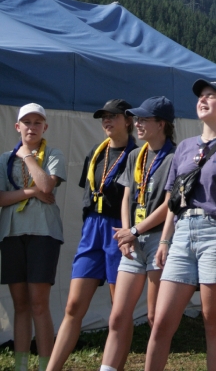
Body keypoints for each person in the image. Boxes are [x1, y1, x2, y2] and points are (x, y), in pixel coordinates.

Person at [144, 78, 216, 371]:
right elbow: (173, 201)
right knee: (161, 321)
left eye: (211, 96)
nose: (202, 100)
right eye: (200, 96)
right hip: (181, 233)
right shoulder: (183, 147)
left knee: (212, 320)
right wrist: (165, 241)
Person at [47, 99, 136, 371]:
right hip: (92, 230)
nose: (106, 121)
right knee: (73, 306)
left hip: (118, 229)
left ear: (128, 120)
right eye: (103, 117)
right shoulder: (96, 152)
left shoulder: (137, 155)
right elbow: (89, 192)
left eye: (113, 116)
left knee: (119, 310)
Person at [98, 96, 177, 371]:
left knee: (155, 317)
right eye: (137, 119)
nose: (138, 124)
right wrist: (125, 233)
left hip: (158, 240)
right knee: (118, 316)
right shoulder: (136, 155)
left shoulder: (175, 157)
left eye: (144, 119)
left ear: (161, 124)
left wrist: (133, 230)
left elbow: (170, 204)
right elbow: (126, 196)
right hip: (132, 241)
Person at [0, 103, 66, 371]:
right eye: (26, 122)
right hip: (12, 233)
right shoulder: (5, 159)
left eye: (37, 122)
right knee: (20, 304)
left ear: (45, 127)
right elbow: (1, 198)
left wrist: (27, 156)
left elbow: (47, 185)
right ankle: (20, 364)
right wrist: (31, 193)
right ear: (17, 126)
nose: (31, 127)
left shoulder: (53, 153)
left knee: (39, 303)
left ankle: (45, 365)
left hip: (43, 233)